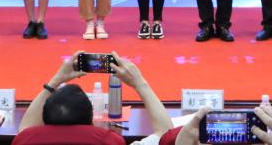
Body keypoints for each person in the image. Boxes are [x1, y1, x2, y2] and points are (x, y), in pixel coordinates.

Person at [18, 51, 173, 145]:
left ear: (45, 119)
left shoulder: (27, 140)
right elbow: (166, 135)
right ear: (91, 119)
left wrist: (55, 81)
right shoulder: (109, 141)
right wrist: (140, 83)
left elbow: (25, 129)